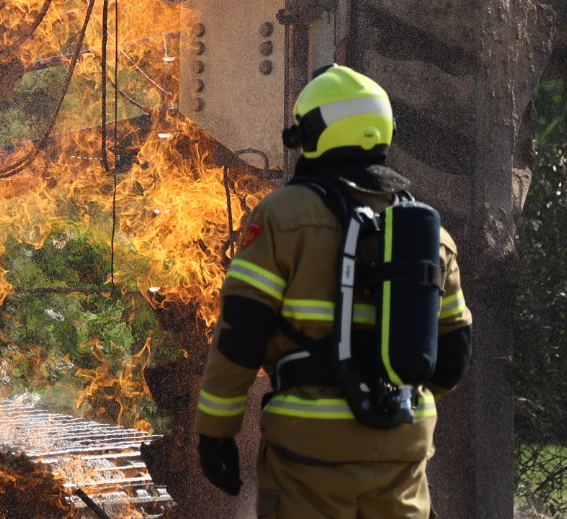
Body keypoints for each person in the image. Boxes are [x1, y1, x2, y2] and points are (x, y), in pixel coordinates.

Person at [194, 64, 472, 518]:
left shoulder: (282, 215)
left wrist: (215, 432)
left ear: (312, 134)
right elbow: (453, 358)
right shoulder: (431, 234)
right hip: (404, 441)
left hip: (311, 445)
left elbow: (241, 335)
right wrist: (385, 403)